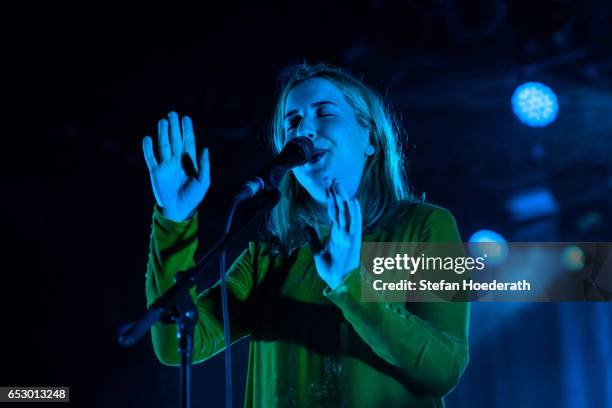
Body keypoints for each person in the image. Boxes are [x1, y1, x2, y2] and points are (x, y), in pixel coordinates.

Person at [143, 63, 470, 407]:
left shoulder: (425, 226)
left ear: (370, 139)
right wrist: (174, 219)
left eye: (324, 112)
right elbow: (175, 345)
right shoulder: (267, 257)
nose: (305, 131)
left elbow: (444, 369)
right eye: (292, 122)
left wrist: (349, 285)